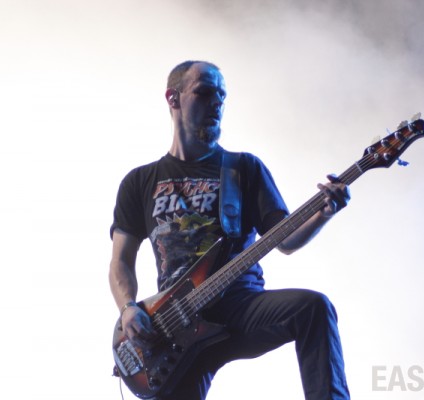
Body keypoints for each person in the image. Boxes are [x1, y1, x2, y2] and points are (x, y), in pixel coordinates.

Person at [109, 60, 351, 400]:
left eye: (222, 96)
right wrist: (128, 308)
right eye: (205, 93)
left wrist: (324, 214)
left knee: (313, 308)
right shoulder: (139, 182)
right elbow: (120, 261)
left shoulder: (243, 168)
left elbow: (284, 240)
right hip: (174, 326)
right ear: (173, 98)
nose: (217, 103)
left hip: (241, 306)